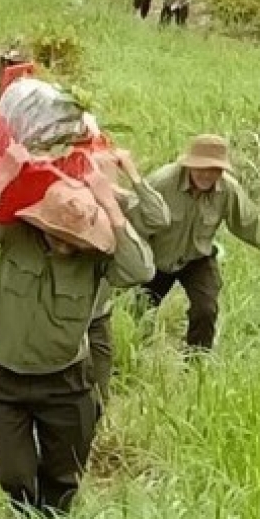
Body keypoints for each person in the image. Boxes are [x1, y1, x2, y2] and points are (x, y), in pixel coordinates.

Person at [0, 146, 155, 519]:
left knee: (64, 477)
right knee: (14, 474)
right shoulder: (15, 232)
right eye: (57, 235)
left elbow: (141, 271)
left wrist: (111, 208)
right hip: (5, 378)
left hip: (66, 381)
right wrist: (2, 178)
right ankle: (25, 516)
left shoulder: (96, 254)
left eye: (73, 239)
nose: (65, 245)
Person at [143, 135, 260, 353]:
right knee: (141, 310)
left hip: (197, 257)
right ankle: (135, 357)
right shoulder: (161, 183)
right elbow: (133, 220)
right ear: (189, 165)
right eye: (201, 167)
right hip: (156, 258)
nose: (207, 174)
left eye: (214, 169)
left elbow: (246, 220)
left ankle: (197, 360)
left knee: (206, 309)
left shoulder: (227, 189)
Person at [86, 149, 170, 408]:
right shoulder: (65, 204)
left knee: (100, 396)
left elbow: (159, 218)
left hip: (98, 314)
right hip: (58, 317)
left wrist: (129, 178)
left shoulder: (120, 207)